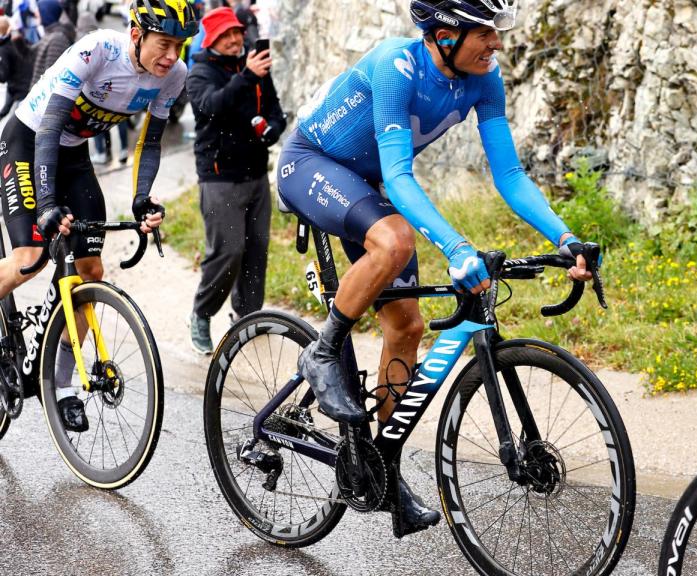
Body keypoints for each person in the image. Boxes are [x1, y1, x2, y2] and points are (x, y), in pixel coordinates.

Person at [276, 0, 594, 538]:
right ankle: (322, 350)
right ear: (445, 33)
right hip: (311, 163)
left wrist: (564, 237)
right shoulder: (395, 64)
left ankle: (381, 468)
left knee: (406, 327)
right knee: (396, 238)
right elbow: (399, 177)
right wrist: (455, 247)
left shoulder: (483, 78)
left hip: (367, 186)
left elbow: (511, 175)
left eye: (497, 34)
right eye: (485, 34)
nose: (496, 45)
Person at [0, 0, 196, 432]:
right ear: (136, 34)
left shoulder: (173, 76)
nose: (171, 56)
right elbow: (49, 128)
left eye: (179, 46)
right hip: (29, 141)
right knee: (29, 259)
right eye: (164, 43)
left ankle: (62, 385)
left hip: (73, 156)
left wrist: (143, 198)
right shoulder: (96, 51)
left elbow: (150, 142)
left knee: (90, 271)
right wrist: (48, 204)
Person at [186, 6, 282, 354]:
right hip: (219, 178)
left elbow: (273, 106)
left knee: (256, 250)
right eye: (226, 35)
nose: (234, 39)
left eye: (237, 33)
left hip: (256, 174)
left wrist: (274, 127)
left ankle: (247, 318)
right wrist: (248, 76)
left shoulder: (253, 66)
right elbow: (214, 104)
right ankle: (201, 313)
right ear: (211, 40)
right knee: (228, 252)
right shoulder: (199, 73)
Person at [30, 0, 74, 85]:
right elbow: (29, 55)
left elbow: (51, 77)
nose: (36, 14)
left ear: (46, 13)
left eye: (38, 11)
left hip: (42, 95)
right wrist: (16, 38)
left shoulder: (57, 39)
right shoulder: (49, 34)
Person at [0, 15, 34, 119]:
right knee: (5, 110)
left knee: (13, 120)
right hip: (21, 84)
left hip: (20, 89)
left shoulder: (4, 49)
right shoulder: (18, 39)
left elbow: (3, 77)